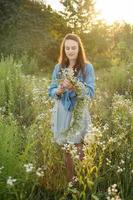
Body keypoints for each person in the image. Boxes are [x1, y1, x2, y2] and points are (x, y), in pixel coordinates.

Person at [48, 33, 95, 184]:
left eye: (73, 47)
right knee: (66, 148)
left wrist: (75, 87)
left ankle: (83, 181)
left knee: (78, 146)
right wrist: (59, 90)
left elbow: (90, 92)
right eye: (67, 48)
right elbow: (51, 90)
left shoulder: (87, 68)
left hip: (78, 111)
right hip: (62, 110)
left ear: (79, 49)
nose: (70, 51)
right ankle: (71, 182)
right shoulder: (58, 67)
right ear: (64, 50)